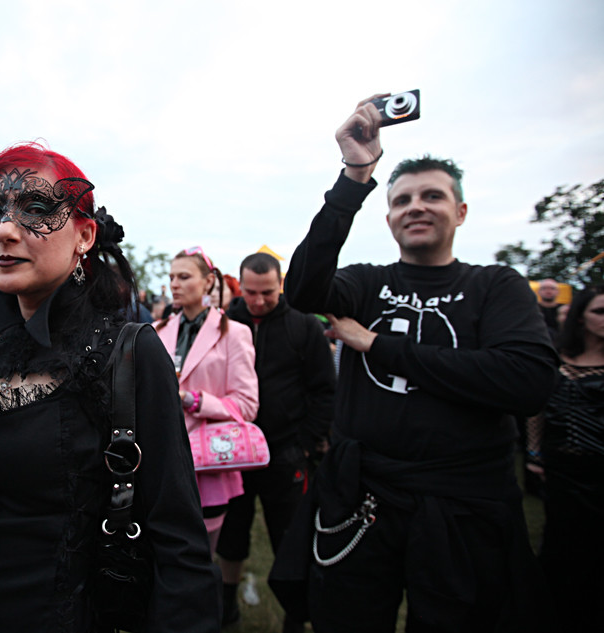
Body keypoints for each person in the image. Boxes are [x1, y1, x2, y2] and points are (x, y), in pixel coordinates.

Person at [268, 95, 559, 633]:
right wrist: (355, 178)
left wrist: (377, 346)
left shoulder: (495, 286)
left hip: (463, 505)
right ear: (389, 215)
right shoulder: (368, 281)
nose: (416, 207)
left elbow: (525, 382)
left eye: (433, 196)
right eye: (402, 200)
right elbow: (305, 288)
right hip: (363, 496)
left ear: (462, 212)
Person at [0, 143, 218, 632]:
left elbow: (179, 541)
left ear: (84, 235)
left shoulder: (126, 354)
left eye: (36, 209)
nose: (6, 230)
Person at [216, 251, 335, 630]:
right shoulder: (226, 321)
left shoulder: (303, 326)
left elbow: (325, 391)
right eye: (250, 291)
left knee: (290, 537)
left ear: (280, 285)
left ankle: (294, 615)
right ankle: (226, 603)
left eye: (267, 292)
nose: (258, 300)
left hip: (284, 451)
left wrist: (305, 442)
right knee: (231, 534)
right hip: (233, 450)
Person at [155, 246, 260, 553]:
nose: (174, 284)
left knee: (201, 554)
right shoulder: (157, 330)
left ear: (208, 282)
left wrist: (192, 399)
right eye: (172, 276)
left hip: (210, 464)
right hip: (163, 460)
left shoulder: (235, 333)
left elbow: (247, 405)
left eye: (184, 276)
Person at [526, 284, 604, 632]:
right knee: (562, 546)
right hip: (564, 468)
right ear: (580, 317)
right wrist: (534, 452)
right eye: (599, 312)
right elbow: (537, 410)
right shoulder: (556, 356)